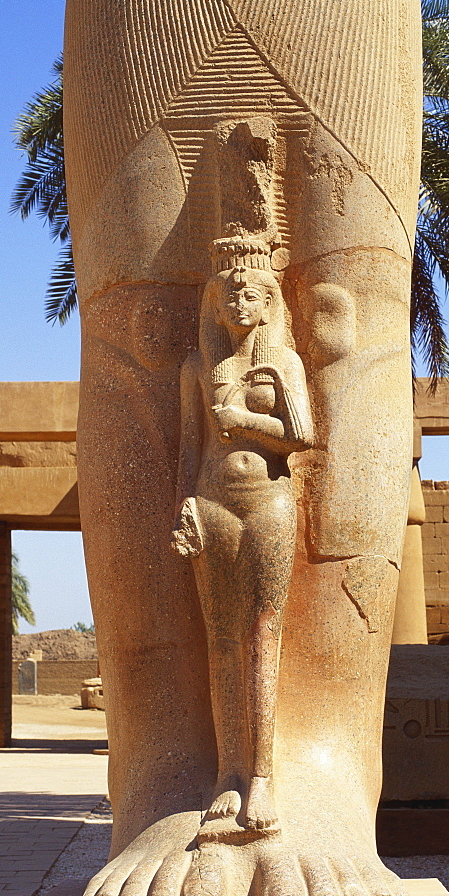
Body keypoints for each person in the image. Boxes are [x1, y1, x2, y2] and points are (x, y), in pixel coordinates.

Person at [172, 237, 313, 838]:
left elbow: (302, 433)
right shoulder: (199, 369)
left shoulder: (283, 362)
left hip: (270, 501)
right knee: (221, 638)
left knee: (264, 632)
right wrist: (183, 506)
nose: (237, 300)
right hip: (212, 502)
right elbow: (188, 447)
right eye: (228, 292)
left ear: (268, 302)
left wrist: (247, 421)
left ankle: (263, 775)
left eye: (250, 292)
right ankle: (228, 774)